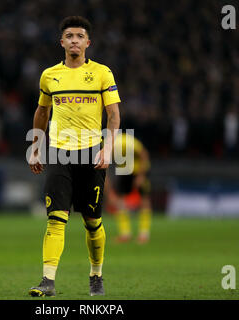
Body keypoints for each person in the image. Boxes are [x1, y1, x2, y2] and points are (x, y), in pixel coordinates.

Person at [28, 16, 121, 297]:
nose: (74, 41)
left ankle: (96, 275)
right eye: (69, 36)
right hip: (58, 153)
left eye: (79, 36)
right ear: (62, 42)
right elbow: (42, 112)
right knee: (56, 218)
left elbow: (114, 114)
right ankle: (47, 281)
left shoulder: (103, 73)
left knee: (92, 222)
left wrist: (108, 148)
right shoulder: (49, 76)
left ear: (88, 43)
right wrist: (35, 146)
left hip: (92, 152)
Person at [110, 132, 153, 244]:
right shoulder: (109, 144)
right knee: (120, 201)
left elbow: (144, 154)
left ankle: (144, 234)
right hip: (124, 171)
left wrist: (141, 175)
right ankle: (125, 234)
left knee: (144, 200)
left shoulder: (127, 142)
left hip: (138, 170)